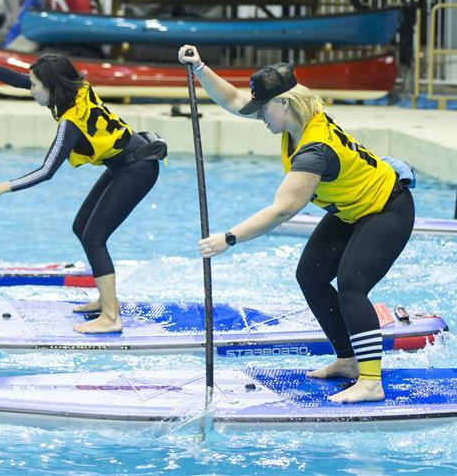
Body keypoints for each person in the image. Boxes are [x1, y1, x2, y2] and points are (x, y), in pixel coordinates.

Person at [178, 45, 415, 404]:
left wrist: (229, 238)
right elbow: (235, 100)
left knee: (352, 286)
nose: (259, 117)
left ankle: (370, 381)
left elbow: (282, 211)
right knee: (312, 276)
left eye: (264, 111)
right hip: (352, 209)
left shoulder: (314, 149)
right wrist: (199, 69)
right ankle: (348, 361)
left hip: (387, 210)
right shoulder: (297, 115)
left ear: (283, 105)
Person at [0, 45, 163, 333]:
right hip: (124, 164)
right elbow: (21, 79)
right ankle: (106, 300)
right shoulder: (76, 89)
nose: (30, 90)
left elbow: (46, 171)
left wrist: (0, 188)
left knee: (94, 237)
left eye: (35, 86)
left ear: (53, 88)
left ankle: (111, 317)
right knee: (82, 227)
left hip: (138, 168)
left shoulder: (70, 124)